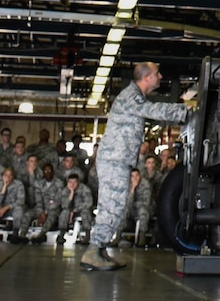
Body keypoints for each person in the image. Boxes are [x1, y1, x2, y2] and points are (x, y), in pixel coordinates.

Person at [81, 61, 192, 271]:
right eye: (157, 74)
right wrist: (184, 111)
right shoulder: (132, 96)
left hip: (119, 159)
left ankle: (100, 250)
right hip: (115, 160)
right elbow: (151, 110)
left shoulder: (134, 96)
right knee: (112, 205)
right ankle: (92, 251)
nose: (160, 77)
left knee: (116, 204)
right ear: (147, 77)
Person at [0, 165, 25, 241]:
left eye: (10, 175)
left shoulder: (18, 184)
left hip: (12, 208)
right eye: (6, 175)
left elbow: (21, 200)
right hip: (1, 209)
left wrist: (6, 207)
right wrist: (4, 187)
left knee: (19, 209)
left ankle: (15, 233)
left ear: (13, 176)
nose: (8, 177)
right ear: (2, 176)